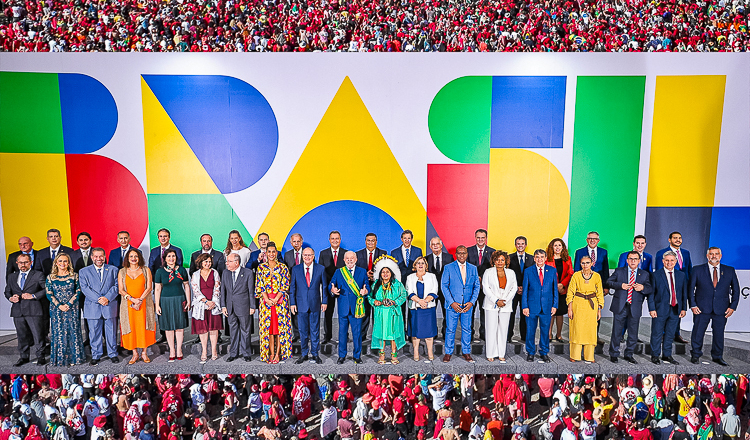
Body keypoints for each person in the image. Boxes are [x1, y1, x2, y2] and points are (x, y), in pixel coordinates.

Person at [688, 247, 740, 366]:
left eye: (716, 254)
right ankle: (695, 355)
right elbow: (690, 289)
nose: (714, 256)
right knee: (698, 332)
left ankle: (717, 356)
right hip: (701, 308)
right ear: (707, 256)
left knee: (719, 333)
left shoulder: (729, 270)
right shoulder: (697, 269)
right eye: (711, 254)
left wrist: (732, 307)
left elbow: (736, 291)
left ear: (720, 256)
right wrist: (693, 305)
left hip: (722, 308)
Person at [607, 251, 653, 363]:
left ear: (639, 261)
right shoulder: (619, 271)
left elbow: (650, 289)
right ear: (627, 260)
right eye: (631, 259)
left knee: (633, 332)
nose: (633, 261)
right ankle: (614, 353)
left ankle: (629, 354)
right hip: (620, 306)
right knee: (617, 331)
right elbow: (608, 282)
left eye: (635, 259)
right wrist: (620, 285)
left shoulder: (645, 274)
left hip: (635, 307)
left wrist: (642, 288)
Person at [79, 248, 120, 365]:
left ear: (105, 256)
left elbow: (117, 286)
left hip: (109, 304)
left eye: (101, 256)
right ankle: (96, 355)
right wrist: (99, 299)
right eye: (96, 256)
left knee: (111, 332)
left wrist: (107, 298)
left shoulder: (113, 270)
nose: (99, 259)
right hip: (93, 306)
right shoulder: (83, 271)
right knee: (94, 332)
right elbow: (85, 288)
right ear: (92, 257)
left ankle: (113, 354)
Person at [4, 253, 47, 366]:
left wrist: (33, 296)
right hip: (18, 311)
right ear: (17, 263)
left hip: (34, 309)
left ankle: (40, 356)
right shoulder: (12, 277)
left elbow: (46, 290)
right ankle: (24, 357)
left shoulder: (38, 275)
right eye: (21, 262)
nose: (23, 265)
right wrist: (10, 297)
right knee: (21, 335)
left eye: (26, 262)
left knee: (38, 335)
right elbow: (7, 291)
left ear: (31, 263)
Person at [45, 252, 85, 366]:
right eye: (60, 261)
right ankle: (61, 359)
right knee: (59, 333)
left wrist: (69, 304)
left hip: (72, 308)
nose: (63, 263)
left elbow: (78, 291)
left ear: (69, 263)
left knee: (73, 331)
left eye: (65, 261)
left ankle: (75, 359)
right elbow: (49, 293)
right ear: (56, 263)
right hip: (56, 310)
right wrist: (59, 305)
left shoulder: (74, 275)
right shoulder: (51, 277)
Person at [441, 245, 480, 363]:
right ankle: (448, 353)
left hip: (467, 306)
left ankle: (466, 352)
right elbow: (444, 285)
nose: (461, 255)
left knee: (467, 329)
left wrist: (471, 302)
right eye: (459, 253)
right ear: (456, 254)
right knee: (450, 329)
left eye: (464, 253)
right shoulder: (448, 267)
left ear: (467, 254)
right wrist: (452, 302)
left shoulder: (473, 268)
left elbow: (477, 286)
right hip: (453, 305)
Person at [329, 251, 370, 364]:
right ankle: (342, 355)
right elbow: (331, 284)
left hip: (357, 308)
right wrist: (332, 290)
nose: (350, 260)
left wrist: (365, 291)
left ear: (356, 259)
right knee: (342, 333)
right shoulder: (339, 272)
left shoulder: (362, 271)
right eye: (347, 258)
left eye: (352, 258)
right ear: (344, 260)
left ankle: (357, 356)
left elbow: (367, 287)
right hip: (343, 307)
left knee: (357, 333)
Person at [255, 241, 292, 364]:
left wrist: (276, 299)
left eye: (273, 252)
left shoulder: (283, 267)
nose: (271, 254)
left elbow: (285, 285)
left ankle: (278, 354)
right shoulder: (261, 267)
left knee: (279, 330)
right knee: (269, 330)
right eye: (269, 252)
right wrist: (266, 299)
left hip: (280, 302)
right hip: (266, 304)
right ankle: (270, 354)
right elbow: (259, 285)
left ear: (276, 253)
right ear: (265, 253)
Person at [289, 247, 328, 364]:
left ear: (313, 256)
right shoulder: (295, 269)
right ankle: (304, 354)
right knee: (302, 331)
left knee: (315, 331)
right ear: (302, 256)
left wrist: (325, 301)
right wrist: (292, 303)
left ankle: (315, 354)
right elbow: (293, 287)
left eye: (309, 255)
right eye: (305, 255)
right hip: (301, 305)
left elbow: (325, 287)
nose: (307, 257)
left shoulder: (320, 269)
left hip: (315, 304)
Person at [648, 251, 687, 365]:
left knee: (670, 334)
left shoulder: (681, 275)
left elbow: (684, 294)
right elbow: (651, 294)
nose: (669, 262)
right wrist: (652, 309)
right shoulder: (655, 275)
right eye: (667, 260)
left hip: (675, 309)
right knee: (657, 333)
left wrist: (683, 308)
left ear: (676, 261)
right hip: (659, 309)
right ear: (663, 261)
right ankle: (655, 355)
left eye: (672, 260)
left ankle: (667, 355)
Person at [655, 232, 693, 345]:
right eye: (675, 238)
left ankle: (676, 334)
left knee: (678, 311)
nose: (678, 240)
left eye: (679, 238)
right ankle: (662, 334)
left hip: (681, 286)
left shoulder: (686, 253)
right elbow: (658, 271)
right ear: (669, 240)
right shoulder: (661, 253)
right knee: (664, 310)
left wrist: (690, 284)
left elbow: (689, 269)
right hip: (667, 286)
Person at [118, 248, 155, 364]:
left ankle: (144, 353)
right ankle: (135, 354)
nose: (134, 259)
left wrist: (139, 300)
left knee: (144, 327)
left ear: (139, 258)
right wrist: (132, 299)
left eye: (136, 256)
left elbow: (149, 287)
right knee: (131, 328)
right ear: (127, 259)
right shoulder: (122, 271)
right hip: (128, 305)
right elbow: (121, 290)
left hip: (144, 303)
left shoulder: (145, 270)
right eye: (131, 257)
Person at [522, 249, 558, 363]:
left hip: (547, 306)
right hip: (532, 306)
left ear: (545, 258)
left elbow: (555, 290)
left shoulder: (552, 270)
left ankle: (544, 352)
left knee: (545, 331)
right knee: (530, 331)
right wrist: (525, 306)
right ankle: (531, 352)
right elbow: (525, 291)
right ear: (534, 258)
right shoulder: (528, 271)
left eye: (542, 257)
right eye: (537, 257)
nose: (540, 259)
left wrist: (555, 305)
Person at [369, 256, 407, 364]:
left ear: (391, 273)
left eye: (387, 272)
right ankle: (382, 355)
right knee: (382, 334)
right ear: (380, 274)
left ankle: (394, 355)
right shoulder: (376, 284)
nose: (385, 274)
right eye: (383, 272)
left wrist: (395, 302)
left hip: (393, 313)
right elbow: (370, 297)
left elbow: (403, 295)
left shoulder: (397, 284)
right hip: (380, 313)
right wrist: (374, 302)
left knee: (393, 334)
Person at [154, 249, 190, 362]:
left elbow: (187, 286)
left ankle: (179, 349)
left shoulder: (182, 270)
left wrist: (188, 301)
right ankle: (172, 350)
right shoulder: (159, 272)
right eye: (169, 256)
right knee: (169, 327)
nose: (171, 258)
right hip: (165, 301)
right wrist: (157, 305)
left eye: (173, 256)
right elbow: (158, 288)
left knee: (179, 326)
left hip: (179, 299)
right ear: (165, 258)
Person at [566, 256, 603, 363]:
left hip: (591, 306)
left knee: (590, 330)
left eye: (587, 263)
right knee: (577, 330)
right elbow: (570, 292)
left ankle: (589, 356)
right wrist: (570, 307)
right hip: (578, 304)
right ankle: (575, 355)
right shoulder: (576, 276)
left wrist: (599, 309)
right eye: (583, 263)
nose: (585, 265)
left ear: (592, 263)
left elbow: (600, 293)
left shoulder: (596, 276)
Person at [482, 250, 517, 363]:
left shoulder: (511, 273)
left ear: (506, 261)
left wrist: (504, 301)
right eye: (497, 260)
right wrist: (496, 300)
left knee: (503, 329)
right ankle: (490, 354)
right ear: (494, 261)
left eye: (502, 260)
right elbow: (486, 287)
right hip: (491, 304)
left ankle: (501, 353)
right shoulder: (488, 272)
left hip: (506, 305)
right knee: (491, 329)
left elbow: (514, 288)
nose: (500, 262)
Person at [220, 253, 256, 362]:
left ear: (236, 262)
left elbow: (251, 291)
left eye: (229, 261)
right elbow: (223, 291)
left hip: (244, 306)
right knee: (233, 330)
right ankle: (233, 353)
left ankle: (246, 353)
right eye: (227, 261)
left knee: (245, 330)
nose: (226, 263)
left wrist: (252, 306)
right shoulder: (225, 273)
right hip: (230, 307)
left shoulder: (248, 273)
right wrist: (223, 306)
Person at [190, 253, 223, 363]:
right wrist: (205, 302)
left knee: (214, 328)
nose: (208, 264)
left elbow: (217, 288)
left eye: (209, 262)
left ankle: (214, 351)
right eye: (205, 262)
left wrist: (213, 302)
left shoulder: (215, 273)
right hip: (201, 304)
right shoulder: (195, 274)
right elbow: (195, 290)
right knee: (203, 329)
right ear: (201, 262)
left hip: (213, 304)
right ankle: (204, 351)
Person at [406, 256, 439, 362]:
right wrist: (419, 301)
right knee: (416, 332)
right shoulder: (410, 277)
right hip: (415, 309)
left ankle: (430, 351)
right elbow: (409, 292)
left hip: (428, 309)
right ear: (415, 266)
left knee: (429, 332)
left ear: (426, 266)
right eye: (418, 263)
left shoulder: (432, 276)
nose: (420, 265)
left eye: (423, 263)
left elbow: (435, 290)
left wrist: (426, 301)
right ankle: (416, 351)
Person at [356, 233, 387, 341]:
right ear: (365, 241)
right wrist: (366, 274)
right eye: (368, 240)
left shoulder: (383, 253)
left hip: (378, 287)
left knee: (377, 314)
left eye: (372, 240)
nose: (370, 243)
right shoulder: (358, 254)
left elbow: (385, 269)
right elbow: (357, 271)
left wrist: (375, 275)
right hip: (363, 288)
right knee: (364, 313)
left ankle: (377, 337)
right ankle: (362, 337)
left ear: (376, 241)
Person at [467, 229, 495, 341]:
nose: (480, 240)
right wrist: (475, 278)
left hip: (486, 288)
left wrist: (483, 279)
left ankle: (484, 334)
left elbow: (494, 270)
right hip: (472, 287)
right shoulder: (468, 250)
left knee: (485, 311)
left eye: (482, 238)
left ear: (486, 238)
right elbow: (466, 268)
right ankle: (470, 334)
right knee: (470, 312)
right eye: (478, 237)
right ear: (475, 238)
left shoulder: (492, 252)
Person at [319, 231, 347, 344]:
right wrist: (330, 286)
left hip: (343, 289)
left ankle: (345, 335)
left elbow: (348, 272)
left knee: (344, 313)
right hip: (328, 288)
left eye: (337, 238)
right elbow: (321, 272)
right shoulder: (323, 253)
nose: (335, 240)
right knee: (328, 313)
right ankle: (327, 336)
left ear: (340, 240)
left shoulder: (346, 253)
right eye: (332, 238)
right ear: (329, 240)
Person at [545, 238, 573, 343]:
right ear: (552, 247)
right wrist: (555, 285)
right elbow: (546, 274)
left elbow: (570, 273)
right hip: (550, 289)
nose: (557, 247)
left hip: (562, 289)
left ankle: (559, 334)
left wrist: (562, 285)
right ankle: (549, 334)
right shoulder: (547, 259)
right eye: (555, 245)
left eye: (559, 245)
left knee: (560, 312)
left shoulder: (567, 258)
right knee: (551, 312)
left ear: (563, 247)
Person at [425, 237, 453, 338]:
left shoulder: (449, 258)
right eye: (433, 244)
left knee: (447, 312)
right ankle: (433, 333)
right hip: (432, 291)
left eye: (437, 244)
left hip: (446, 290)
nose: (435, 246)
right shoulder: (426, 259)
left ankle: (446, 333)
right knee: (431, 312)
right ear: (430, 247)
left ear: (441, 245)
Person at [508, 236, 533, 343]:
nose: (520, 246)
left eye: (522, 244)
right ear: (515, 245)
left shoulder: (532, 258)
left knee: (525, 314)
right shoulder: (509, 257)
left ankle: (524, 336)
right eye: (518, 244)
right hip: (512, 291)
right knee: (510, 314)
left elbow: (532, 275)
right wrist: (516, 287)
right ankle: (508, 336)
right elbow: (507, 275)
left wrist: (524, 287)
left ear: (526, 245)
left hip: (526, 292)